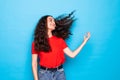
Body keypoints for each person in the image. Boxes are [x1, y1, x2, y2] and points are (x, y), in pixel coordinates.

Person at [31, 11, 91, 80]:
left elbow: (72, 55)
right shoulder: (36, 43)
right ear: (44, 24)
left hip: (59, 73)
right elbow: (34, 64)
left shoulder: (59, 40)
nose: (53, 22)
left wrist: (84, 42)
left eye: (54, 21)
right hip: (44, 74)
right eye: (50, 20)